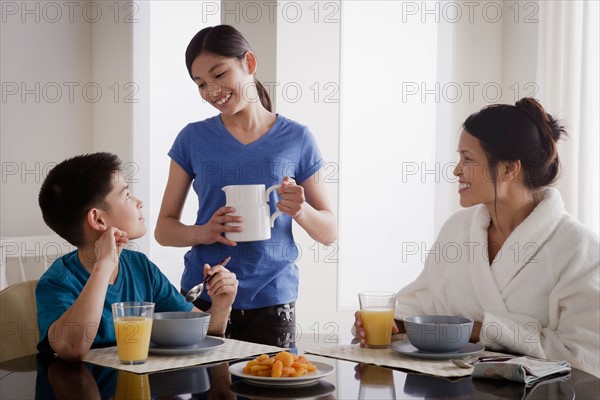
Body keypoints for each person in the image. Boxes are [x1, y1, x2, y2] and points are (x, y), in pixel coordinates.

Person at [354, 98, 600, 377]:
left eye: (468, 159)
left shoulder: (579, 249)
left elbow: (585, 356)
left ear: (509, 168)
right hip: (449, 392)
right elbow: (424, 306)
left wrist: (480, 331)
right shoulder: (457, 231)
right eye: (458, 158)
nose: (456, 170)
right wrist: (390, 324)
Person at [154, 24, 337, 347]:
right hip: (205, 292)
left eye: (219, 75)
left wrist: (301, 210)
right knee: (204, 390)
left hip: (272, 297)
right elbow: (163, 230)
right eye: (201, 84)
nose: (212, 91)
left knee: (271, 387)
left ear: (249, 64)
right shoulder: (192, 138)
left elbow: (328, 232)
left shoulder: (297, 138)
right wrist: (204, 232)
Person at [36, 152, 238, 361]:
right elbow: (71, 348)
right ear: (98, 219)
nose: (139, 202)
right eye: (126, 195)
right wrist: (104, 265)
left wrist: (221, 306)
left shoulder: (140, 267)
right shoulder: (57, 283)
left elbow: (203, 329)